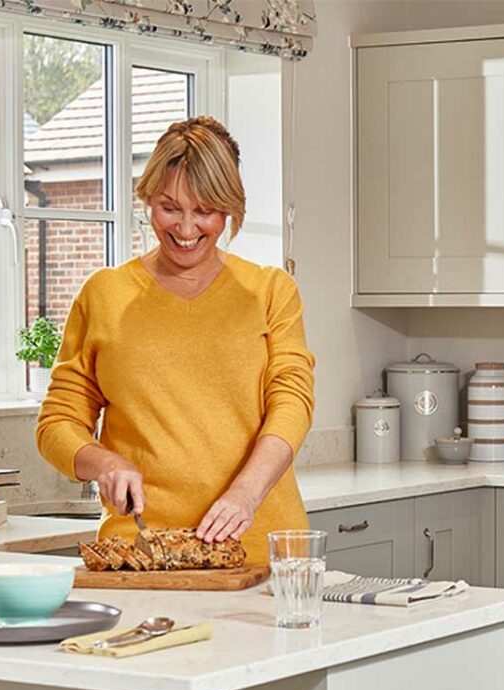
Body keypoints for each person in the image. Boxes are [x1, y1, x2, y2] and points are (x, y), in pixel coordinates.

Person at [36, 116, 315, 566]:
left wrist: (245, 494)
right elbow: (58, 423)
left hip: (262, 545)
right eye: (170, 207)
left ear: (229, 210)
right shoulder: (105, 295)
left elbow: (292, 404)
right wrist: (103, 463)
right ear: (147, 199)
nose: (186, 229)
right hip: (141, 554)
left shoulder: (269, 292)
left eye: (205, 211)